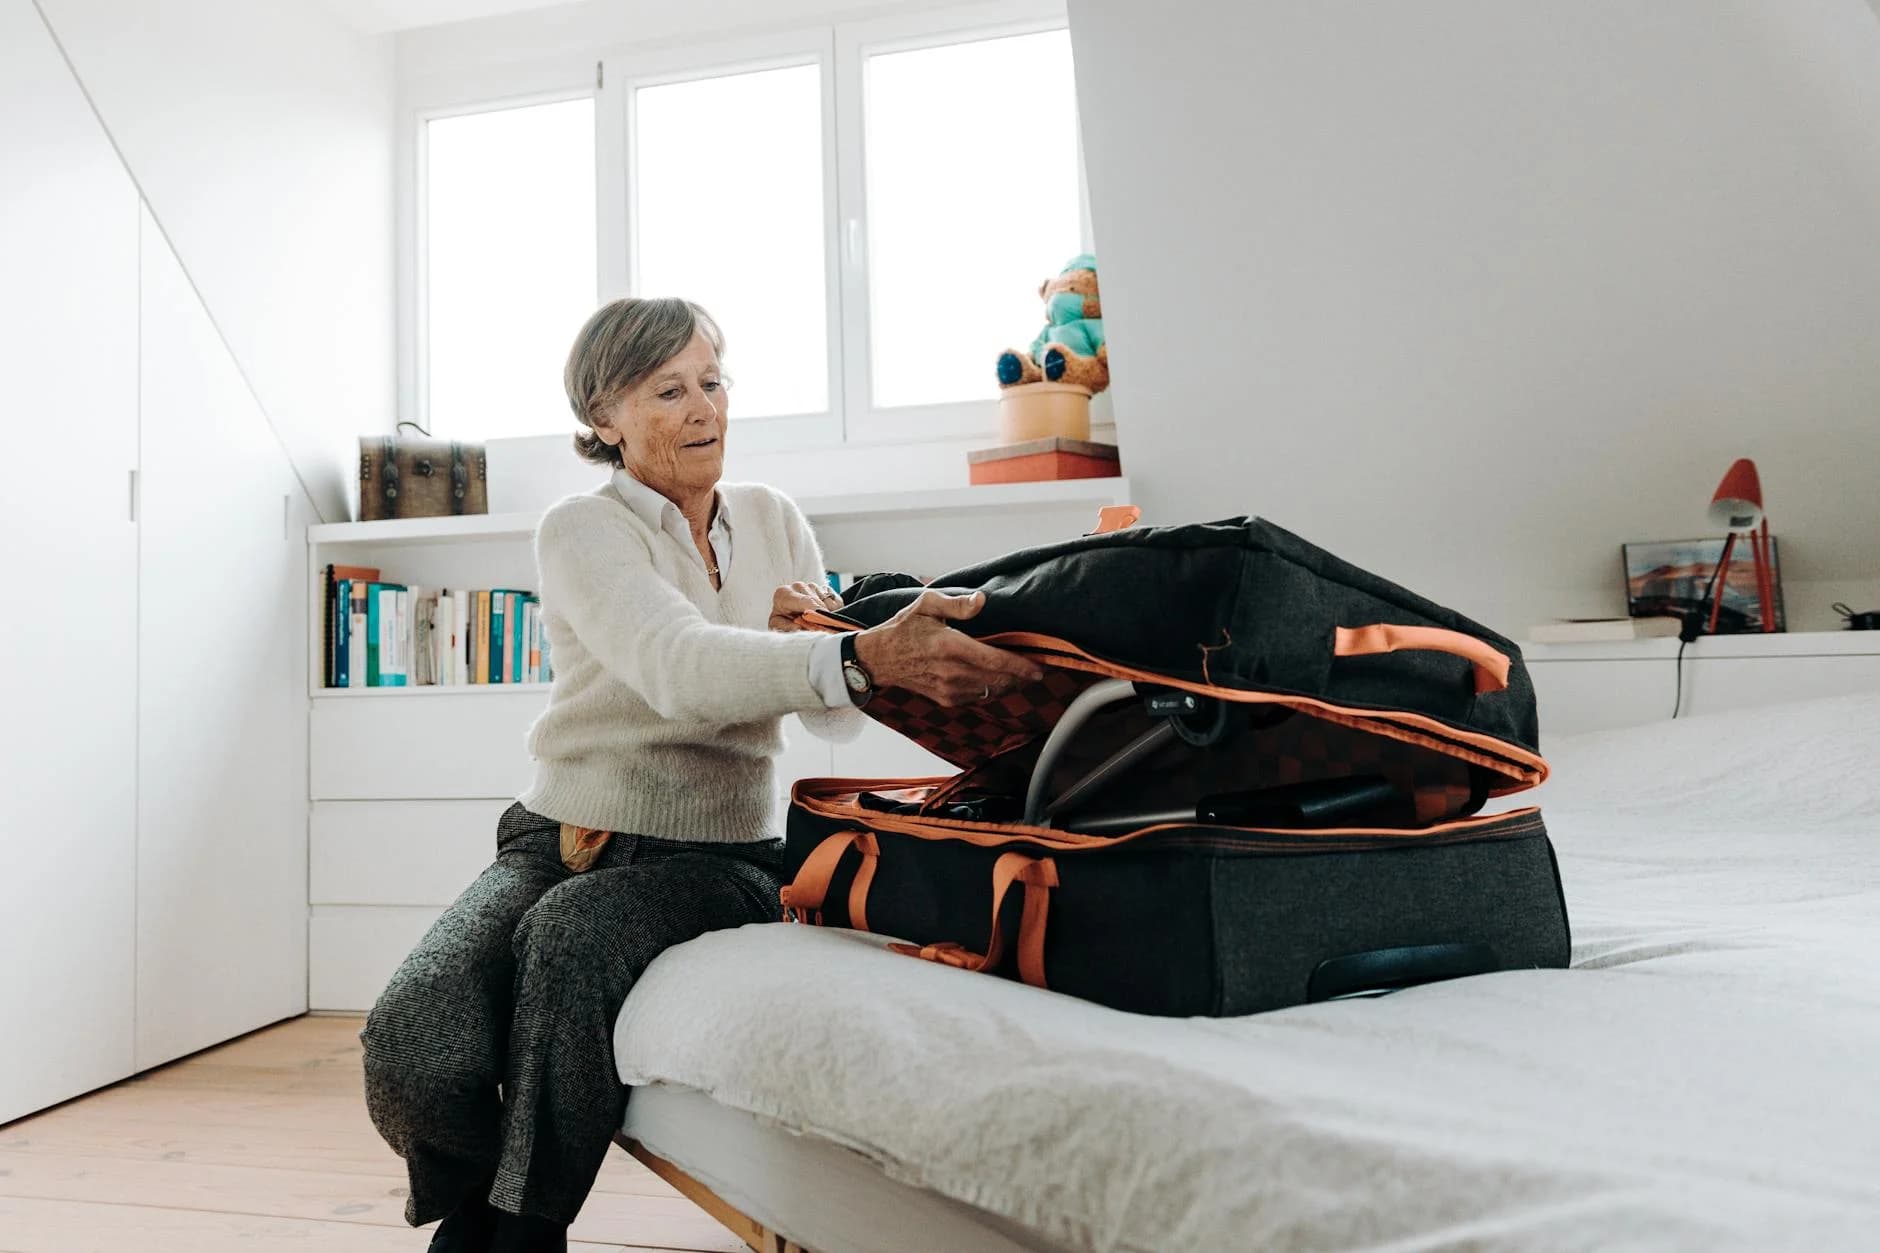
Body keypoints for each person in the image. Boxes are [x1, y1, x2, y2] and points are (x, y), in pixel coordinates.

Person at [359, 297, 1041, 1252]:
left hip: (720, 853)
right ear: (605, 421)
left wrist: (831, 637)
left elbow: (833, 723)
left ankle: (516, 1232)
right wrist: (856, 656)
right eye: (668, 390)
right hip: (559, 835)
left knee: (570, 938)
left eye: (712, 382)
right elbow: (678, 668)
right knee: (409, 1045)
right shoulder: (581, 531)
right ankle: (479, 1202)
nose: (702, 407)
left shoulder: (773, 517)